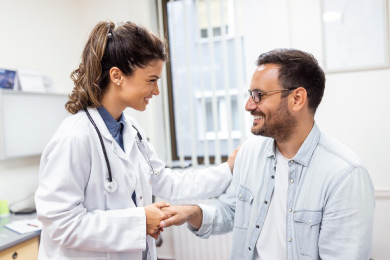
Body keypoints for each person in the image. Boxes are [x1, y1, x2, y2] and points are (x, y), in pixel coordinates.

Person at [34, 21, 239, 260]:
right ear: (117, 76)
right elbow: (60, 224)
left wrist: (228, 169)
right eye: (151, 80)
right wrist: (140, 221)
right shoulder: (75, 137)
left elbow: (167, 182)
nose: (156, 91)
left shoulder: (131, 129)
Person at [159, 49, 375, 260]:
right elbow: (230, 211)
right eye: (250, 95)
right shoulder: (249, 153)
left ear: (297, 99)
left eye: (258, 95)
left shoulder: (345, 175)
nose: (248, 105)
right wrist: (191, 212)